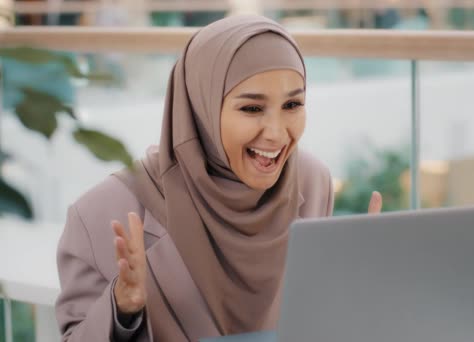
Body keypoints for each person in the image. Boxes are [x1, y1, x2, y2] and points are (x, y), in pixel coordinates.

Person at [55, 15, 382, 341]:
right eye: (252, 109)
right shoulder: (101, 212)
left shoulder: (312, 182)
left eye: (292, 104)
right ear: (201, 109)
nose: (277, 133)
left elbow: (311, 321)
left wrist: (353, 292)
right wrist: (121, 308)